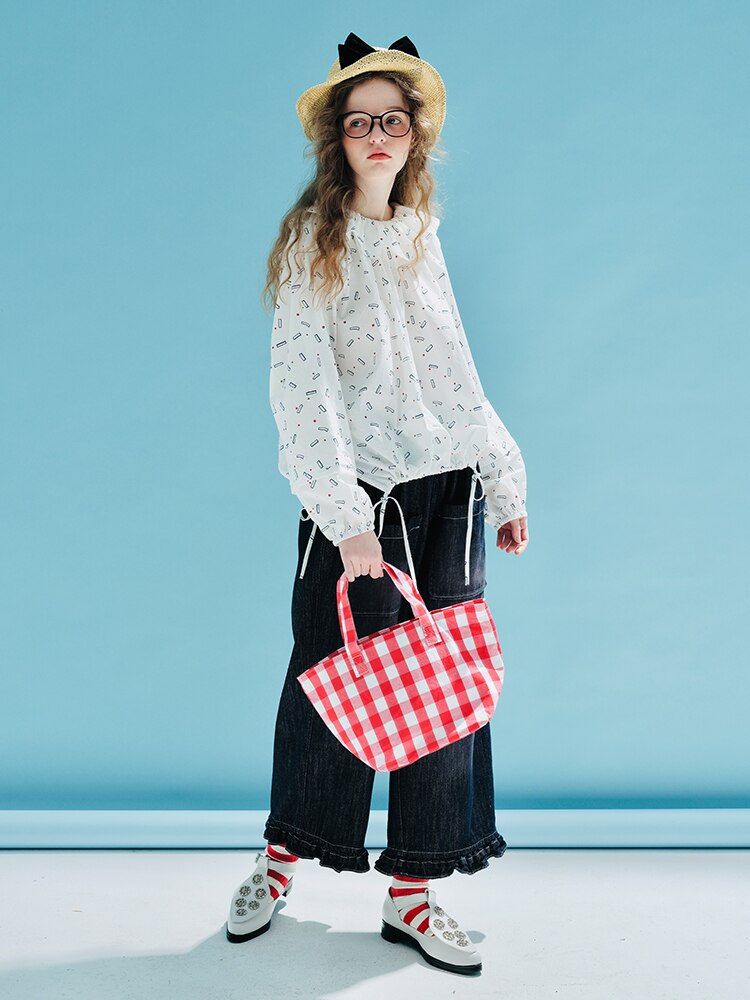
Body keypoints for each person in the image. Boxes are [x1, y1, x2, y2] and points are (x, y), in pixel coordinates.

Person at [226, 32, 529, 976]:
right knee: (328, 677)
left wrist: (503, 476)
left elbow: (455, 370)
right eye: (361, 122)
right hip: (358, 501)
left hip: (449, 490)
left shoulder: (420, 237)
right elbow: (302, 391)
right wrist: (345, 517)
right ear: (339, 139)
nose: (378, 136)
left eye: (393, 120)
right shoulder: (311, 246)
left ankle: (415, 892)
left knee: (443, 690)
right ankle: (281, 863)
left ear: (414, 136)